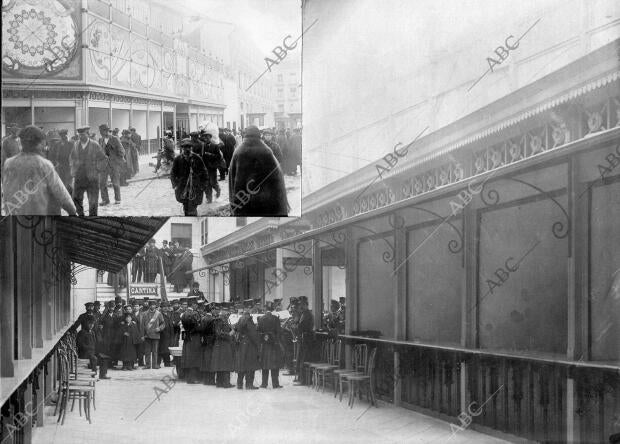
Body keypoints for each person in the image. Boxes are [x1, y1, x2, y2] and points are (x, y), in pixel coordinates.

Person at [2, 125, 77, 215]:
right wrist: (72, 211)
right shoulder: (44, 164)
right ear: (39, 143)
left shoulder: (8, 163)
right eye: (43, 142)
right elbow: (61, 194)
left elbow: (6, 191)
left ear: (21, 143)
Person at [228, 126, 289, 216]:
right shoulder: (266, 151)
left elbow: (231, 178)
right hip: (265, 202)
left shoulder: (238, 152)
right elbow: (277, 179)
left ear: (245, 135)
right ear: (259, 135)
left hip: (243, 201)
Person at [70, 126, 107, 216]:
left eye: (83, 135)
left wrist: (97, 169)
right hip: (79, 177)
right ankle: (81, 216)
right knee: (76, 199)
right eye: (79, 135)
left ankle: (92, 218)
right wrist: (73, 168)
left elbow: (103, 159)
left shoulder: (95, 145)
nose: (80, 137)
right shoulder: (76, 145)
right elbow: (72, 157)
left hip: (92, 178)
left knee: (93, 201)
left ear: (88, 134)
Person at [170, 139, 208, 216]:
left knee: (193, 207)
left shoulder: (197, 158)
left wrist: (203, 186)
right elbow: (173, 173)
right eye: (185, 147)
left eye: (189, 147)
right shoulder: (178, 159)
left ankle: (193, 222)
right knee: (186, 206)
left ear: (191, 148)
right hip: (183, 188)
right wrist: (175, 185)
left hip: (195, 187)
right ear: (182, 148)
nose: (187, 149)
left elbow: (204, 172)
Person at [98, 123, 125, 205]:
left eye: (103, 131)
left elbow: (122, 151)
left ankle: (118, 199)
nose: (102, 133)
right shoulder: (101, 140)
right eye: (100, 132)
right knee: (102, 183)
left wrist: (116, 161)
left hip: (114, 165)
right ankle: (105, 200)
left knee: (115, 183)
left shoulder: (115, 139)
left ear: (106, 131)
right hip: (104, 165)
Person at [257, 303, 284, 389]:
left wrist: (264, 337)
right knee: (275, 365)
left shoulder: (261, 319)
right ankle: (275, 384)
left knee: (265, 365)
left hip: (265, 345)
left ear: (265, 310)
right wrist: (275, 339)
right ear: (272, 310)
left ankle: (264, 384)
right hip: (274, 345)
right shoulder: (276, 319)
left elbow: (258, 332)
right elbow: (279, 332)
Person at [234, 311, 260, 390]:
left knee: (241, 364)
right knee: (250, 365)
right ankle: (249, 384)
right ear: (249, 316)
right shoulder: (249, 322)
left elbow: (236, 330)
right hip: (249, 346)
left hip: (241, 345)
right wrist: (257, 343)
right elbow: (253, 335)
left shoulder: (239, 321)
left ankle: (239, 384)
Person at [209, 309, 235, 388]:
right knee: (225, 364)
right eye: (227, 315)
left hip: (222, 345)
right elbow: (218, 333)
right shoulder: (219, 321)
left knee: (221, 364)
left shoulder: (222, 321)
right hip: (222, 345)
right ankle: (226, 383)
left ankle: (219, 383)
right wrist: (229, 334)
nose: (228, 316)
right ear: (223, 315)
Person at [199, 124, 223, 203]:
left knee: (213, 182)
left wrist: (210, 155)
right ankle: (209, 199)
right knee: (207, 184)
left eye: (207, 137)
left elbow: (219, 157)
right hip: (205, 168)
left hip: (212, 168)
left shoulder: (215, 146)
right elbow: (202, 157)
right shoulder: (203, 146)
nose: (206, 139)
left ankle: (218, 190)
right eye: (205, 137)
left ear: (210, 138)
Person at [295, 297, 316, 385]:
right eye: (300, 305)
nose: (301, 306)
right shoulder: (304, 314)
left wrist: (297, 325)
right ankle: (302, 379)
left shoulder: (307, 314)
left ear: (306, 305)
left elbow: (302, 326)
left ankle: (304, 380)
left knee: (304, 359)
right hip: (304, 339)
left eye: (302, 305)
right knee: (301, 359)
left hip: (306, 340)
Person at [180, 301, 202, 384]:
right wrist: (201, 327)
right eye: (196, 304)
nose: (197, 306)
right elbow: (197, 327)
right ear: (192, 305)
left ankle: (190, 378)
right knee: (193, 358)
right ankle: (192, 378)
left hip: (188, 338)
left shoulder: (185, 313)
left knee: (189, 358)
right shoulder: (192, 314)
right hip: (194, 338)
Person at [139, 300, 165, 369]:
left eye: (153, 305)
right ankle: (147, 365)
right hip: (147, 335)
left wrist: (159, 328)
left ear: (155, 306)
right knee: (147, 351)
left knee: (155, 351)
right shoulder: (144, 314)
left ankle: (154, 365)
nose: (152, 306)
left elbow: (163, 323)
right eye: (151, 305)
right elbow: (142, 326)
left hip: (156, 335)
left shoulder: (158, 314)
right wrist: (142, 335)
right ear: (149, 306)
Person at [48, 128, 74, 195]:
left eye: (64, 135)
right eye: (61, 135)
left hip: (68, 166)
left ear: (66, 135)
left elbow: (74, 155)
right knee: (61, 181)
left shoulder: (71, 144)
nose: (63, 137)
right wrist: (54, 163)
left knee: (68, 182)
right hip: (59, 166)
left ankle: (69, 196)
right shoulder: (57, 144)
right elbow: (53, 155)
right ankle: (63, 195)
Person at [158, 302, 175, 367]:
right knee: (161, 349)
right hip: (162, 334)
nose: (165, 308)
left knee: (167, 349)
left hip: (170, 334)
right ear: (161, 308)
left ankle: (167, 363)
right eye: (164, 307)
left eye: (167, 307)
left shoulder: (170, 314)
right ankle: (158, 363)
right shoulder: (159, 314)